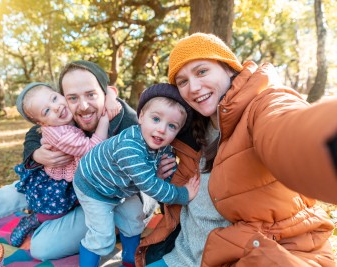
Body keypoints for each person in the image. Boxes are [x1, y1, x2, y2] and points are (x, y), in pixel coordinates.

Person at [135, 33, 337, 267]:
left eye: (201, 71)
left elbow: (289, 132)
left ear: (229, 68)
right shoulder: (188, 130)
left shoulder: (262, 105)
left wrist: (323, 144)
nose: (194, 87)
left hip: (244, 256)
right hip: (179, 255)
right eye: (182, 81)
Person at [0, 60, 156, 261]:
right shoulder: (65, 115)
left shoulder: (127, 122)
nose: (83, 106)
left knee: (41, 248)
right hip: (66, 189)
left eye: (92, 94)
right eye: (72, 98)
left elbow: (146, 174)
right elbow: (36, 131)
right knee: (21, 188)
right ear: (64, 97)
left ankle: (45, 221)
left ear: (106, 93)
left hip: (112, 201)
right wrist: (35, 153)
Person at [74, 83, 200, 267]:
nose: (162, 129)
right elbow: (151, 186)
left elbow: (168, 167)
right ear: (141, 117)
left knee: (134, 219)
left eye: (172, 126)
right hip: (93, 186)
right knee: (103, 236)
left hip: (121, 186)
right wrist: (183, 194)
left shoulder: (161, 143)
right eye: (156, 119)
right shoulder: (130, 148)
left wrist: (167, 176)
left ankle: (129, 260)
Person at [9, 81, 116, 246]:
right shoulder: (60, 133)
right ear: (43, 123)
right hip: (56, 182)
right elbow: (90, 148)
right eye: (46, 111)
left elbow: (94, 88)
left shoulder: (69, 113)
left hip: (73, 176)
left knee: (76, 201)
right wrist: (104, 119)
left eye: (54, 99)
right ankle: (34, 219)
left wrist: (110, 96)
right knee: (57, 210)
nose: (56, 108)